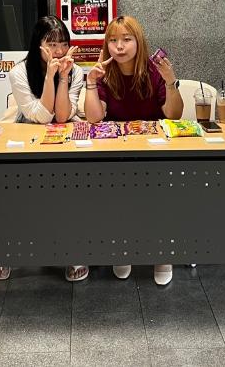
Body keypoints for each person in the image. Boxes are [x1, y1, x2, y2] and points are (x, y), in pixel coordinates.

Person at [84, 15, 184, 286]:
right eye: (113, 40)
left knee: (159, 197)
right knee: (118, 198)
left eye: (126, 39)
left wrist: (171, 82)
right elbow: (94, 117)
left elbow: (174, 115)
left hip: (155, 152)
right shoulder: (105, 73)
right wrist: (91, 82)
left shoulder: (153, 70)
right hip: (117, 153)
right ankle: (122, 248)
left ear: (138, 41)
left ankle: (162, 254)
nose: (119, 46)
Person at [0, 15, 86, 283]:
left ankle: (74, 250)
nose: (59, 51)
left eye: (63, 44)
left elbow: (62, 116)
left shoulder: (76, 71)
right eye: (51, 44)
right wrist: (50, 76)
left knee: (72, 190)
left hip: (64, 136)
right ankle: (3, 250)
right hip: (28, 134)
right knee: (18, 193)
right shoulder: (19, 72)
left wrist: (63, 77)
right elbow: (40, 116)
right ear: (37, 45)